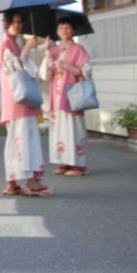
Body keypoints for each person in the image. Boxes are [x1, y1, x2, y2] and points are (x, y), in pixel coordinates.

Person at [0, 10, 53, 197]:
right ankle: (31, 180)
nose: (17, 25)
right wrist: (28, 48)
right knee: (25, 141)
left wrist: (28, 48)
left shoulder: (12, 43)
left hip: (17, 100)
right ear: (5, 23)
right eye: (14, 22)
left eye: (20, 22)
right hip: (19, 100)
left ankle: (12, 182)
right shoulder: (7, 43)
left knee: (16, 141)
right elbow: (16, 69)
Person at [40, 16, 92, 177]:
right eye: (61, 27)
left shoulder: (78, 50)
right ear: (57, 31)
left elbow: (86, 71)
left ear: (74, 30)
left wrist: (66, 66)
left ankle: (78, 164)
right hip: (56, 95)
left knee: (73, 128)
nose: (64, 30)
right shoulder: (54, 51)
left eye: (68, 27)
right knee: (59, 129)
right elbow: (44, 74)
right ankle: (64, 161)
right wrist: (47, 51)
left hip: (71, 95)